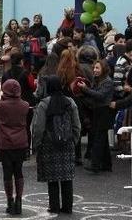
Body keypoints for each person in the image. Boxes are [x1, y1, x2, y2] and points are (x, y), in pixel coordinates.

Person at [32, 75, 80, 214]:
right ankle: (67, 207)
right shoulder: (70, 102)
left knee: (52, 178)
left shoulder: (44, 104)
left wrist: (37, 144)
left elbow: (38, 127)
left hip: (49, 144)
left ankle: (54, 206)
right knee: (67, 178)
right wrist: (74, 140)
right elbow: (76, 124)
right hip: (67, 143)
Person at [0, 79, 31, 215]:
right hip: (21, 142)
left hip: (5, 142)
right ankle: (19, 201)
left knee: (7, 172)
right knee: (19, 171)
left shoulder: (1, 105)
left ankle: (10, 201)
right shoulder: (25, 105)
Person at [77, 59, 114, 173]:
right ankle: (107, 164)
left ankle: (95, 165)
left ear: (103, 69)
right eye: (94, 68)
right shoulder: (97, 80)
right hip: (98, 110)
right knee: (103, 139)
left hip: (104, 111)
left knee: (99, 138)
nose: (95, 70)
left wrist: (85, 89)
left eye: (98, 68)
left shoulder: (107, 81)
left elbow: (100, 95)